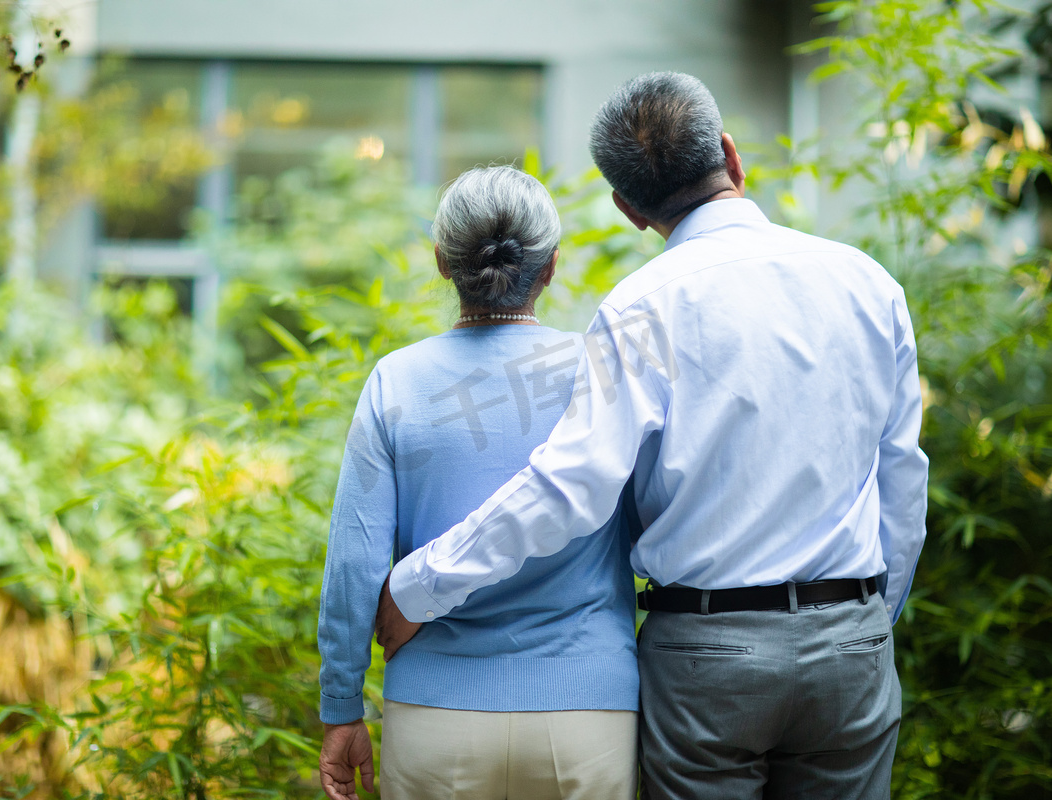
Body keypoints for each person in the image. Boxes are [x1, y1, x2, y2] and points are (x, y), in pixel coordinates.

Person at [376, 72, 930, 800]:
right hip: (851, 639)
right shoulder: (868, 284)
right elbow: (902, 481)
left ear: (629, 210)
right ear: (732, 157)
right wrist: (863, 621)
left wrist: (418, 584)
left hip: (707, 655)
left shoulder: (640, 307)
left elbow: (570, 486)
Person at [316, 166, 640, 800]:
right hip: (588, 716)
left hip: (434, 717)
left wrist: (341, 707)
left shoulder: (396, 381)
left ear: (442, 262)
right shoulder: (602, 373)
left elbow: (354, 560)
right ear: (549, 267)